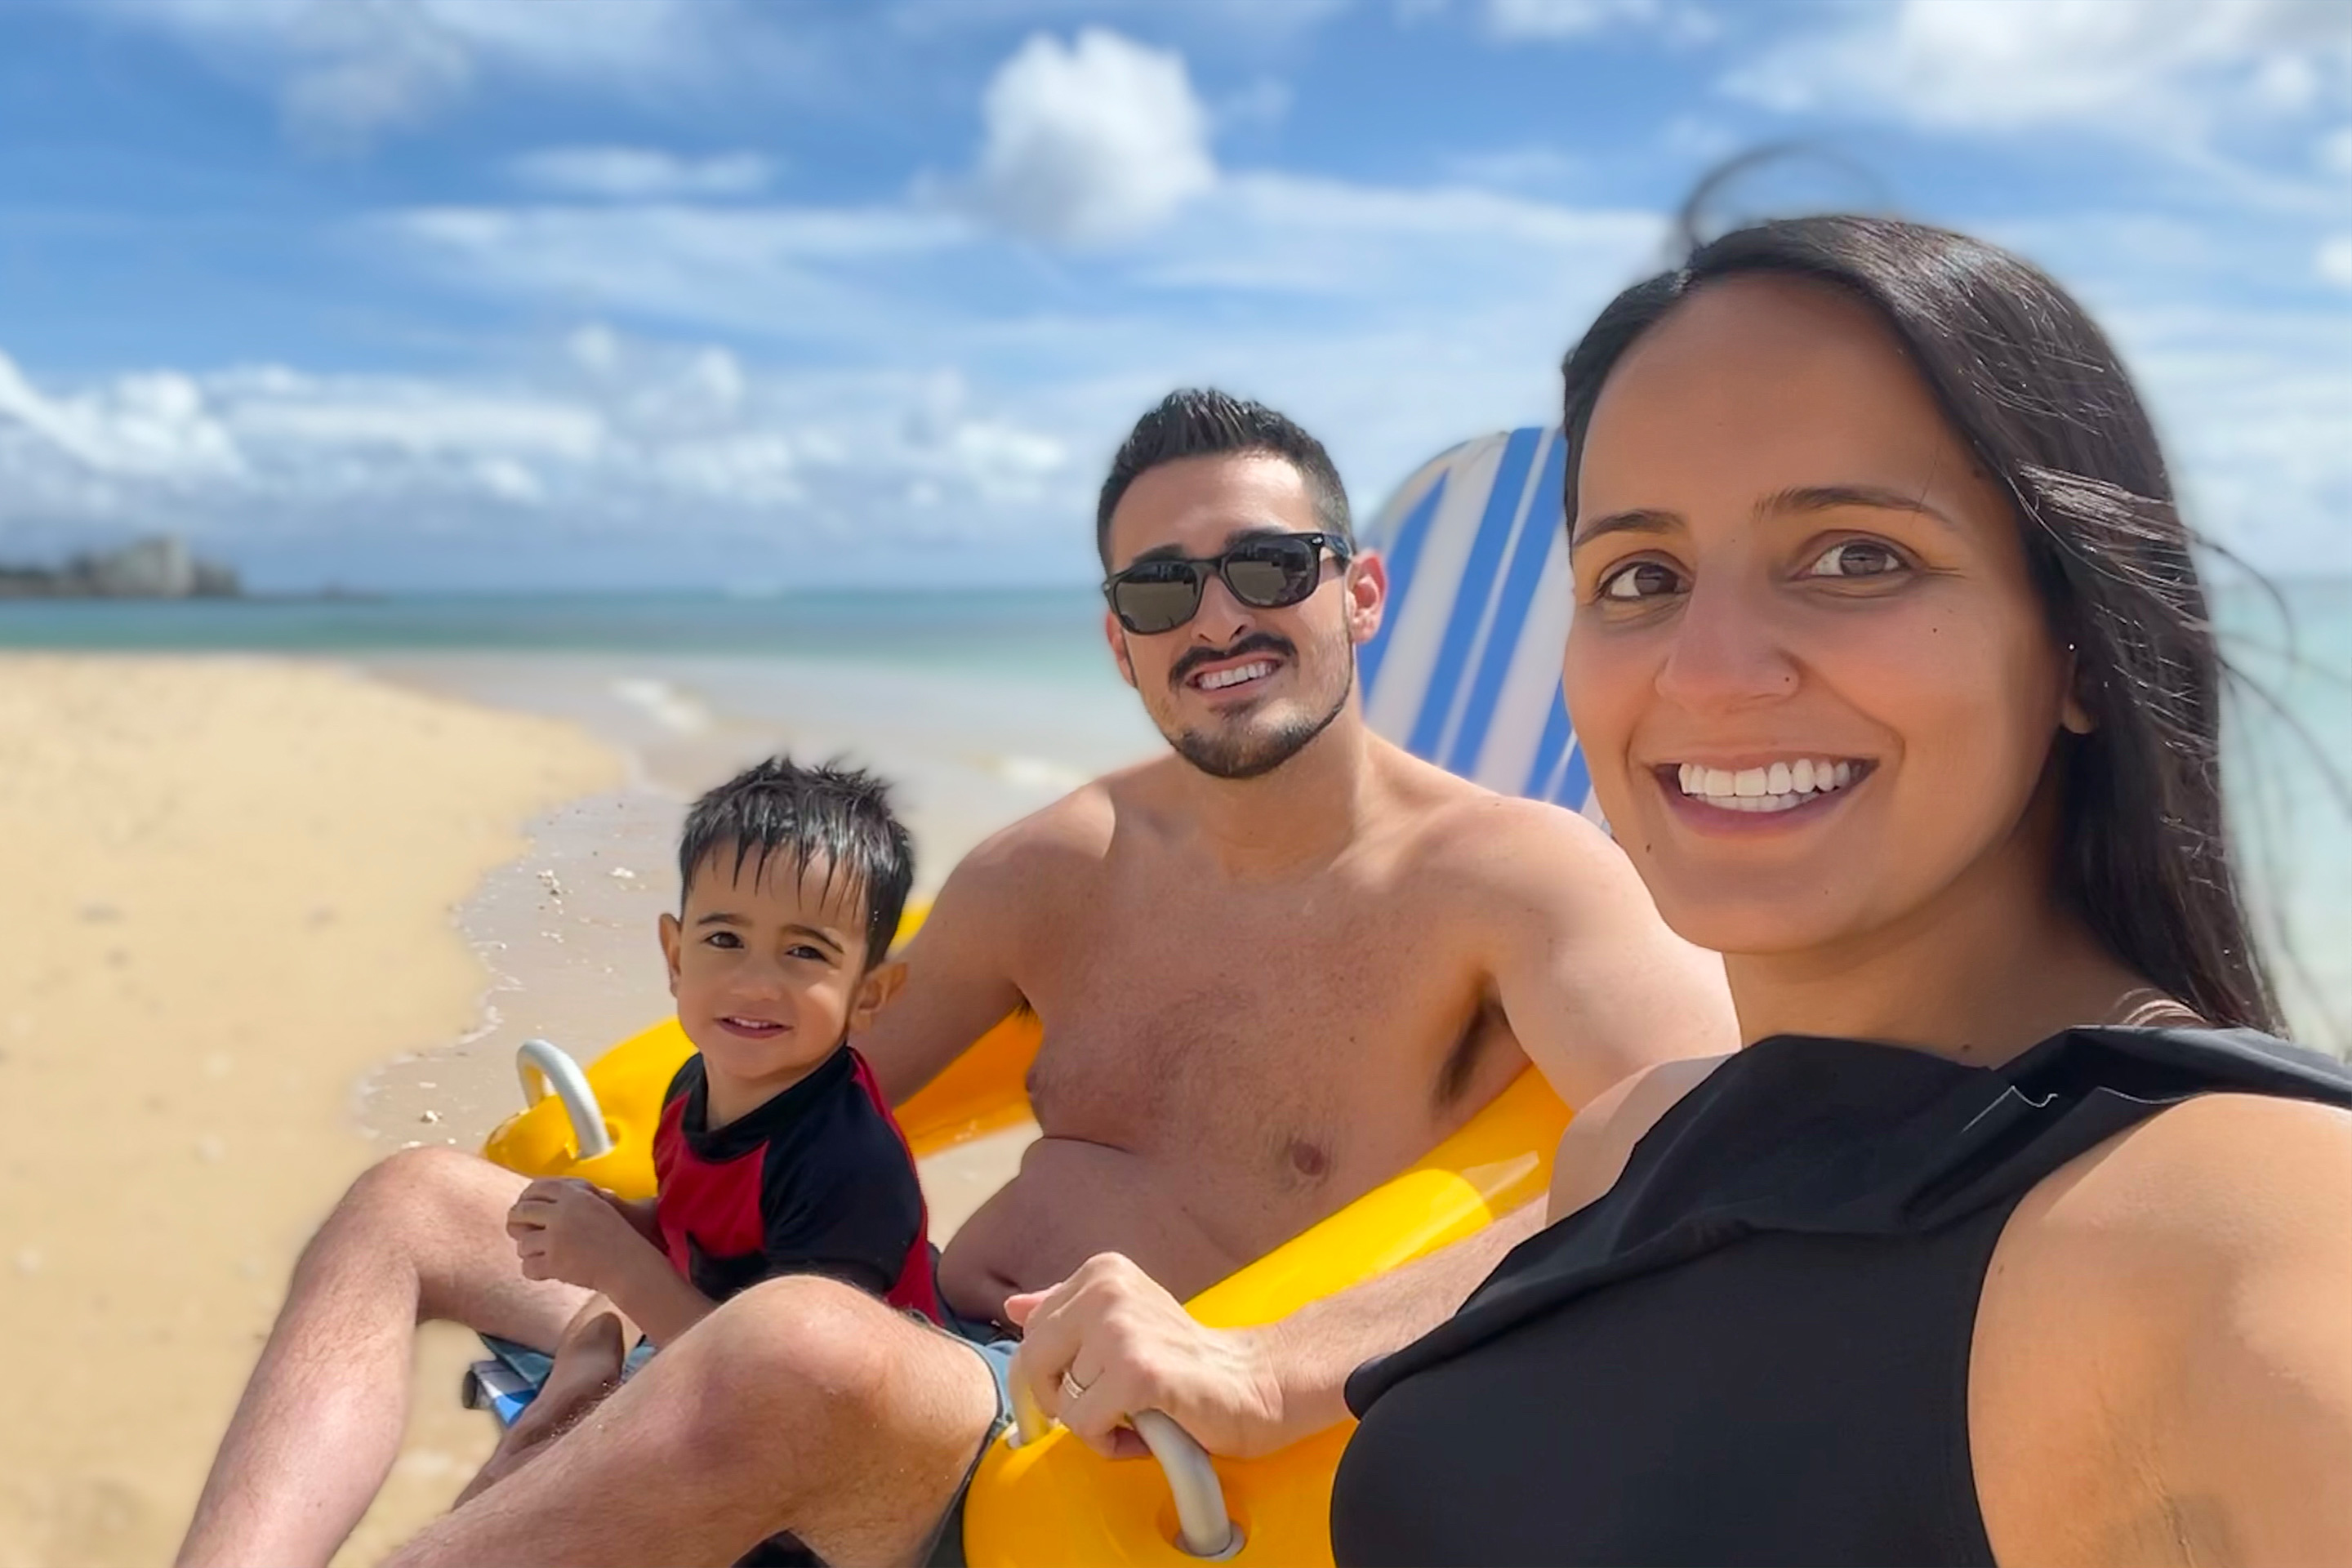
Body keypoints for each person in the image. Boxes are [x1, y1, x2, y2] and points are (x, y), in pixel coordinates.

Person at [175, 390, 1735, 1568]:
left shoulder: (1512, 880)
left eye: (1268, 566)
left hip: (1090, 1446)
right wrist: (641, 1260)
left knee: (793, 1352)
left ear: (1360, 592)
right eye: (1159, 591)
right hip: (909, 1324)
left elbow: (1716, 1140)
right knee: (412, 1204)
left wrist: (1275, 1363)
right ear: (1118, 645)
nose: (1219, 619)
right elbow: (809, 1092)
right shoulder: (1058, 865)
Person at [1323, 217, 2352, 1564]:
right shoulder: (1632, 1145)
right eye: (1641, 576)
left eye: (1856, 554)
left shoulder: (2242, 1223)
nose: (1710, 671)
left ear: (2084, 652)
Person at [452, 757, 939, 1530]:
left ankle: (572, 1398)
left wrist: (617, 1264)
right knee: (556, 1406)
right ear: (676, 959)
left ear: (869, 993)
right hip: (709, 1351)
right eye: (724, 939)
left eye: (805, 952)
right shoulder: (693, 1086)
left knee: (543, 1500)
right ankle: (576, 1387)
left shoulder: (848, 1165)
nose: (755, 982)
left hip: (835, 1452)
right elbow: (704, 1220)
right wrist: (627, 1219)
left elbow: (784, 1386)